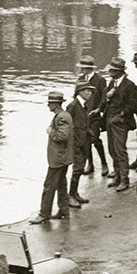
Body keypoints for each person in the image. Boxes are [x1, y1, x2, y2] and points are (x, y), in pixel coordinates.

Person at [31, 90, 74, 224]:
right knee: (61, 184)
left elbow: (62, 136)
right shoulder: (62, 115)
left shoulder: (61, 117)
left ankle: (44, 214)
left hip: (58, 158)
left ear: (55, 104)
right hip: (62, 157)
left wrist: (50, 132)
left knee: (49, 186)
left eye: (50, 103)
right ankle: (63, 210)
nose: (48, 105)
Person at [104, 57, 137, 192]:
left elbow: (134, 105)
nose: (110, 72)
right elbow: (105, 100)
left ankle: (125, 179)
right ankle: (117, 176)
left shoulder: (129, 85)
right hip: (110, 120)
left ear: (119, 72)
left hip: (121, 122)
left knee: (120, 150)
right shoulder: (112, 83)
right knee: (112, 149)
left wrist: (122, 114)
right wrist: (103, 104)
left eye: (113, 70)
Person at [76, 56, 109, 177]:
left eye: (83, 68)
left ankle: (104, 164)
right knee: (85, 140)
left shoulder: (100, 80)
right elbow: (76, 96)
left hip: (95, 115)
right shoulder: (80, 79)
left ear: (88, 68)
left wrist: (99, 110)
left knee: (95, 139)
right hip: (84, 115)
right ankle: (90, 164)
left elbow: (103, 97)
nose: (82, 70)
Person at [67, 83, 95, 207]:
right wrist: (74, 141)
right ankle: (70, 195)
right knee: (78, 168)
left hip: (84, 141)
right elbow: (68, 125)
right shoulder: (73, 106)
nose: (90, 93)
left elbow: (82, 122)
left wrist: (88, 131)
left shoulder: (84, 105)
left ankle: (74, 193)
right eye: (88, 91)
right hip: (76, 142)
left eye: (90, 91)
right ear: (80, 92)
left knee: (80, 168)